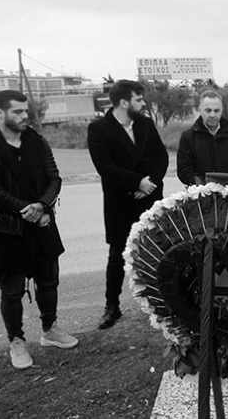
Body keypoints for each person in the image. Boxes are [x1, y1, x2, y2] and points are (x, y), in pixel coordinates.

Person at [0, 90, 78, 370]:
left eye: (25, 111)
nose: (24, 116)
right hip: (5, 228)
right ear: (0, 113)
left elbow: (54, 177)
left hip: (42, 222)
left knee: (49, 279)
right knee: (12, 289)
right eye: (17, 112)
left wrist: (42, 206)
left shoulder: (36, 141)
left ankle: (49, 330)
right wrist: (31, 212)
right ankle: (16, 341)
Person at [88, 80, 168, 329]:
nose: (143, 103)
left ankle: (161, 303)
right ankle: (112, 306)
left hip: (150, 198)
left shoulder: (145, 123)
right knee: (116, 256)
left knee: (157, 253)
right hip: (120, 202)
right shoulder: (99, 129)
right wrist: (136, 183)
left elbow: (161, 156)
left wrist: (150, 183)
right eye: (139, 99)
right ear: (124, 102)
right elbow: (105, 167)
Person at [177, 90, 228, 186]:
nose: (212, 115)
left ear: (222, 110)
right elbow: (184, 169)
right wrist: (202, 185)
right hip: (199, 194)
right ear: (200, 110)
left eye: (216, 111)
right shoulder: (188, 137)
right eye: (208, 110)